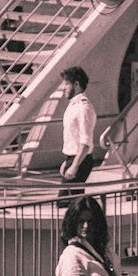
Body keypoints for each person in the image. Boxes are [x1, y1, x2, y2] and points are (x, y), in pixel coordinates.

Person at [55, 197, 133, 276]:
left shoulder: (108, 254)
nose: (86, 226)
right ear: (73, 223)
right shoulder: (72, 255)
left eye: (91, 221)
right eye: (81, 221)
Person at [58, 66, 97, 198]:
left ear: (76, 84)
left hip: (81, 160)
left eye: (67, 84)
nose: (64, 87)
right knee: (74, 201)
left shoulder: (83, 108)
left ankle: (92, 215)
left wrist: (74, 166)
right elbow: (72, 138)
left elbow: (85, 142)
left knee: (65, 201)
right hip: (73, 157)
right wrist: (67, 161)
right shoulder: (73, 105)